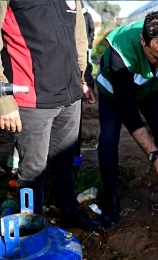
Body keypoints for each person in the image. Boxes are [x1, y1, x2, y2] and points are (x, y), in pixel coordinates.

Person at [0, 1, 101, 231]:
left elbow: (79, 38)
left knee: (64, 162)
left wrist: (83, 79)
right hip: (32, 99)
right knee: (32, 171)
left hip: (70, 97)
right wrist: (3, 99)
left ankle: (69, 213)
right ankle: (31, 228)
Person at [96, 11, 158, 229]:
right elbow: (129, 111)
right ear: (143, 41)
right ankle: (111, 200)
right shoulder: (120, 48)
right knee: (108, 142)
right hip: (115, 94)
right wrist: (153, 155)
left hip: (152, 91)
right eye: (157, 56)